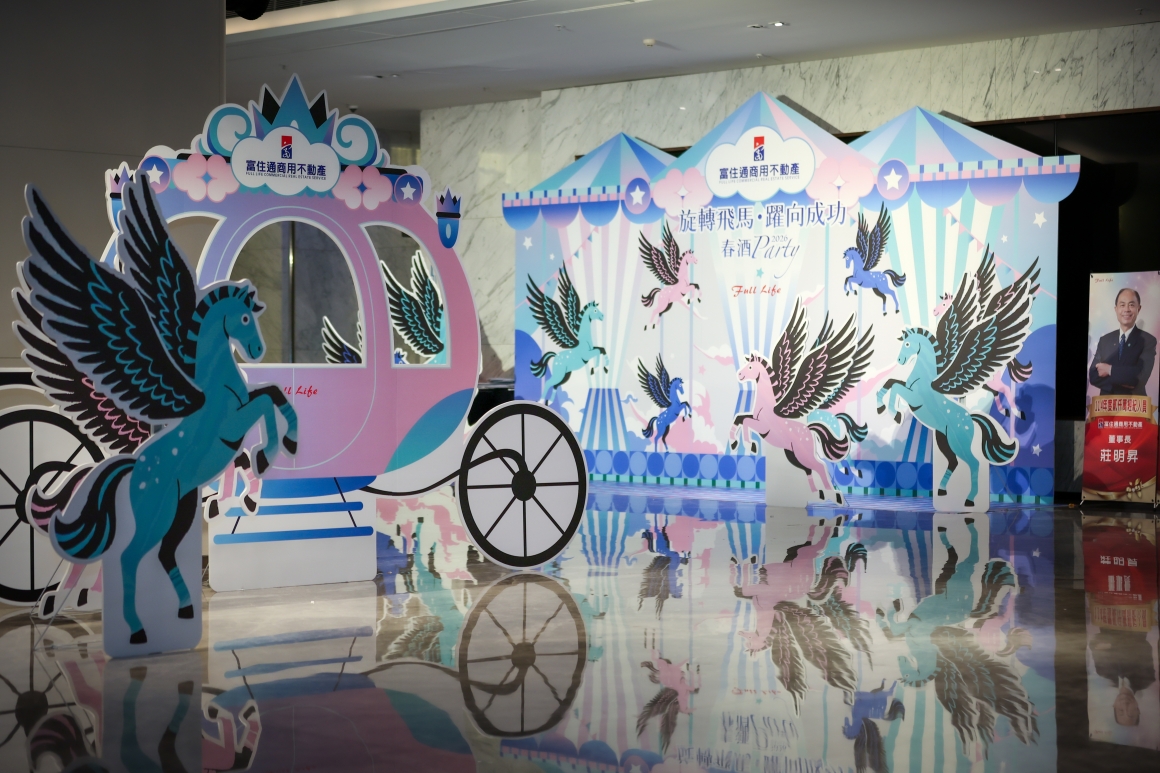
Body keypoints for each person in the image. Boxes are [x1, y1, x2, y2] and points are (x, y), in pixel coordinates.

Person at [1089, 288, 1157, 396]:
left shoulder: (1148, 340)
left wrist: (1110, 370)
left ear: (1138, 309)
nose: (1126, 309)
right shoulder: (1105, 340)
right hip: (1107, 404)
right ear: (1116, 309)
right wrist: (1125, 378)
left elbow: (1140, 378)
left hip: (1134, 405)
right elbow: (1093, 376)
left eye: (1131, 305)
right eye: (1122, 305)